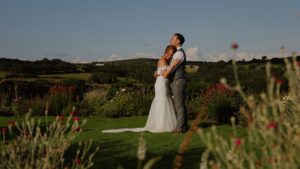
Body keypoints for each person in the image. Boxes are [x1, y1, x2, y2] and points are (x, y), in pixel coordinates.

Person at [102, 45, 181, 133]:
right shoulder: (163, 60)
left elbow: (156, 74)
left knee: (164, 101)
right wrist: (173, 65)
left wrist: (157, 73)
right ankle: (161, 125)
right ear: (165, 52)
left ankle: (164, 124)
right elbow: (165, 75)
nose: (169, 56)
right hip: (161, 84)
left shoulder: (165, 60)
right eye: (168, 54)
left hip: (162, 83)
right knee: (162, 101)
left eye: (171, 55)